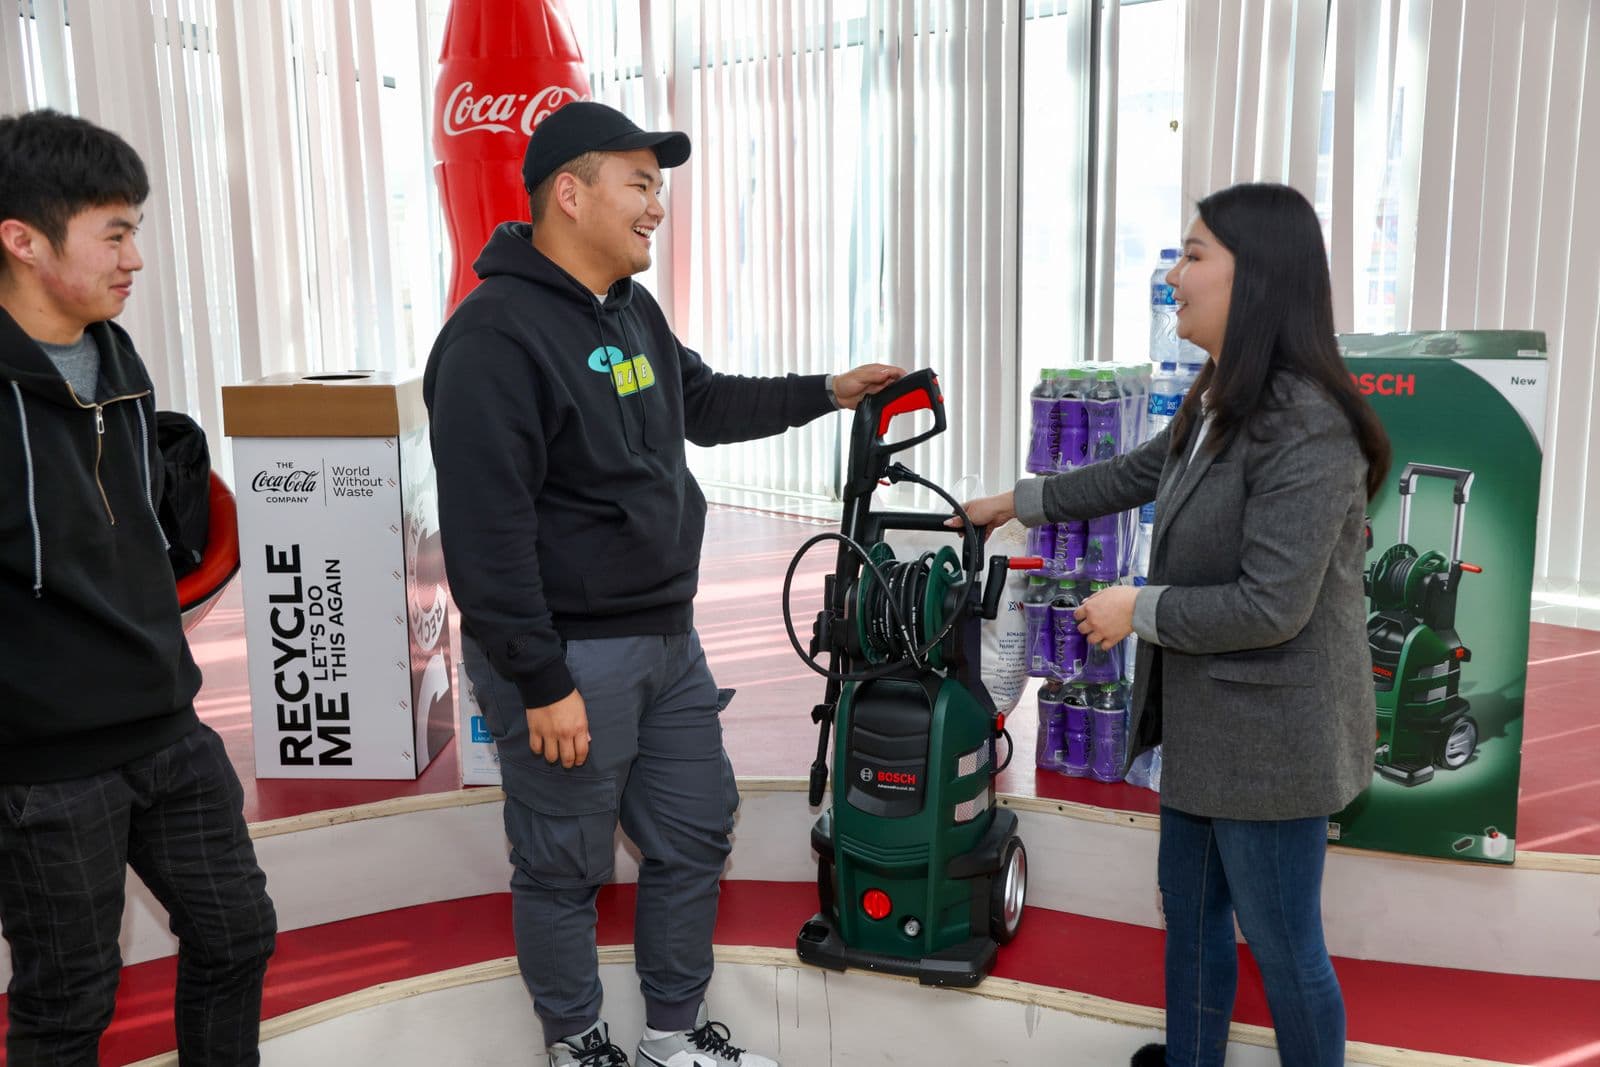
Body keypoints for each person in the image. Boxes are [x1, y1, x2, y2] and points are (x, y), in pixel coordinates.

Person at [423, 101, 901, 1067]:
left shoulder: (628, 308)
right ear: (570, 193)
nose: (658, 206)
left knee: (695, 833)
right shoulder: (491, 340)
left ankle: (672, 1041)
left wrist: (827, 391)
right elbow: (486, 537)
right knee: (562, 865)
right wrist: (541, 679)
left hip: (667, 642)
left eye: (659, 186)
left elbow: (705, 401)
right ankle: (576, 1045)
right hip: (567, 658)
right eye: (640, 183)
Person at [958, 183, 1390, 1067]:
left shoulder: (1307, 423)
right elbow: (1135, 473)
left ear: (1255, 277)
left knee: (1285, 948)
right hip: (1201, 725)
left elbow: (1270, 605)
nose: (1173, 276)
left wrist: (1137, 608)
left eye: (1194, 256)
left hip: (1273, 745)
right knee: (1190, 919)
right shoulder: (1221, 393)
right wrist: (1015, 501)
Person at [0, 109, 277, 1065]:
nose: (135, 258)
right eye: (113, 233)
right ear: (23, 240)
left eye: (137, 231)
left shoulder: (116, 357)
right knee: (69, 1001)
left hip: (167, 726)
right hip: (43, 764)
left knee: (238, 935)